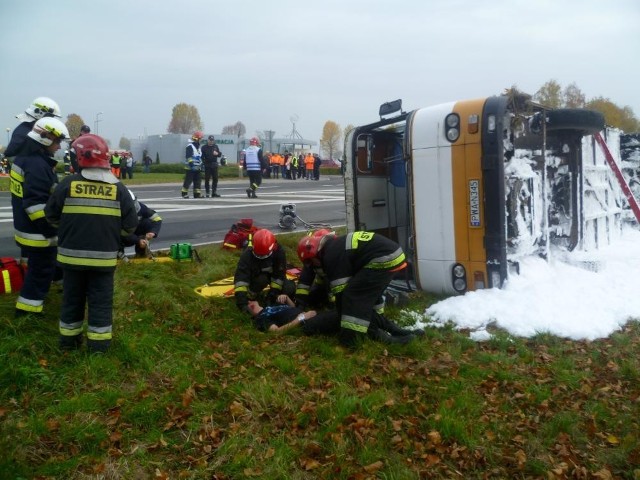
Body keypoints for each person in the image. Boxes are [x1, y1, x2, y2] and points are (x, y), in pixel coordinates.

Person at [45, 134, 138, 353]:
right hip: (103, 261)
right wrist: (112, 238)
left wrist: (70, 231)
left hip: (70, 258)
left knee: (71, 301)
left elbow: (50, 216)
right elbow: (131, 226)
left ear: (81, 157)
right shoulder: (119, 189)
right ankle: (98, 349)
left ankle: (68, 345)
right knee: (100, 304)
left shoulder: (67, 184)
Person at [297, 230, 423, 346]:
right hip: (392, 254)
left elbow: (342, 295)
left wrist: (344, 323)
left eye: (310, 262)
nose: (312, 265)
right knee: (367, 298)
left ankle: (357, 339)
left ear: (314, 255)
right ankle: (397, 331)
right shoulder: (334, 247)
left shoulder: (331, 257)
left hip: (382, 258)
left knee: (354, 298)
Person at [11, 117, 69, 317]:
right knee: (40, 272)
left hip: (26, 227)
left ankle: (64, 287)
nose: (59, 146)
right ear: (45, 138)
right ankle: (28, 311)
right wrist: (51, 230)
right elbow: (35, 205)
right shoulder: (37, 165)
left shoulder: (27, 159)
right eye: (57, 141)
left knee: (47, 265)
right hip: (38, 232)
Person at [234, 228, 294, 313]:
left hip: (272, 276)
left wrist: (272, 294)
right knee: (261, 280)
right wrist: (242, 304)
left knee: (289, 287)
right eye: (258, 255)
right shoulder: (247, 254)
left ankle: (274, 298)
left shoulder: (279, 252)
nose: (261, 257)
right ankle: (251, 295)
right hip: (256, 277)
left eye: (264, 255)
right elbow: (241, 280)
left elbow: (279, 276)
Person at [247, 294, 340, 335]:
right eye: (248, 301)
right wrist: (301, 318)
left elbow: (293, 308)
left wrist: (287, 298)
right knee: (339, 316)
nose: (250, 300)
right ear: (250, 306)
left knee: (340, 312)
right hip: (305, 323)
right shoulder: (261, 318)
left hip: (309, 315)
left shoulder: (270, 306)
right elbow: (277, 332)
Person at [121, 190, 163, 257]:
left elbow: (157, 218)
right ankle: (118, 254)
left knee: (147, 223)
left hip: (133, 234)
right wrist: (137, 240)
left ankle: (141, 253)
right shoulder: (117, 213)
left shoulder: (140, 207)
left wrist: (153, 232)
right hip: (121, 238)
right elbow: (120, 231)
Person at [182, 131, 204, 198]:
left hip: (197, 168)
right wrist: (191, 165)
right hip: (190, 168)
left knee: (198, 181)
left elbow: (199, 157)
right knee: (188, 181)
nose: (201, 140)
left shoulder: (199, 148)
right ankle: (184, 193)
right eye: (201, 139)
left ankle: (197, 194)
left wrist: (202, 165)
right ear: (197, 139)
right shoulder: (190, 146)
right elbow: (188, 157)